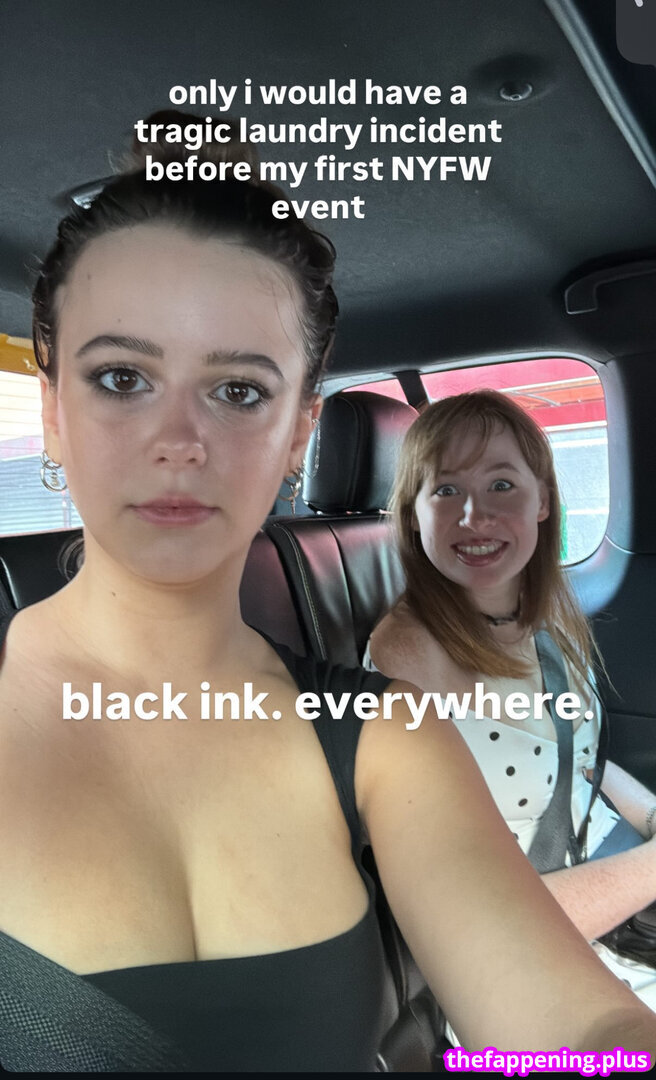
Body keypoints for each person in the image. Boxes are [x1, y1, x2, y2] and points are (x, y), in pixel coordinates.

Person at [1, 121, 656, 1072]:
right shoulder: (408, 656)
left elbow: (583, 1029)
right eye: (122, 377)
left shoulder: (387, 738)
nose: (178, 440)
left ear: (299, 431)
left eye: (238, 391)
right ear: (54, 411)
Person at [365, 388, 656, 1021]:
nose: (475, 515)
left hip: (612, 900)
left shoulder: (547, 614)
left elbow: (583, 761)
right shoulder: (406, 659)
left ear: (543, 500)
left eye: (502, 484)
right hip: (525, 976)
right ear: (413, 516)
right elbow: (470, 925)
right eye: (446, 490)